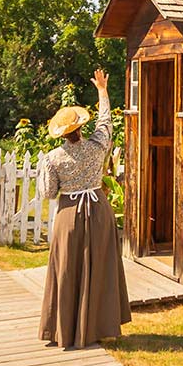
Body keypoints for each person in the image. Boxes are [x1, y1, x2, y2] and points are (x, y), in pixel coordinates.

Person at [38, 69, 130, 350]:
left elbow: (48, 193)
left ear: (61, 134)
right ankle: (102, 329)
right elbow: (106, 122)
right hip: (98, 209)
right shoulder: (97, 146)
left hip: (68, 215)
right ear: (80, 127)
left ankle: (64, 330)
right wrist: (102, 90)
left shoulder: (53, 158)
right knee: (101, 266)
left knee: (66, 269)